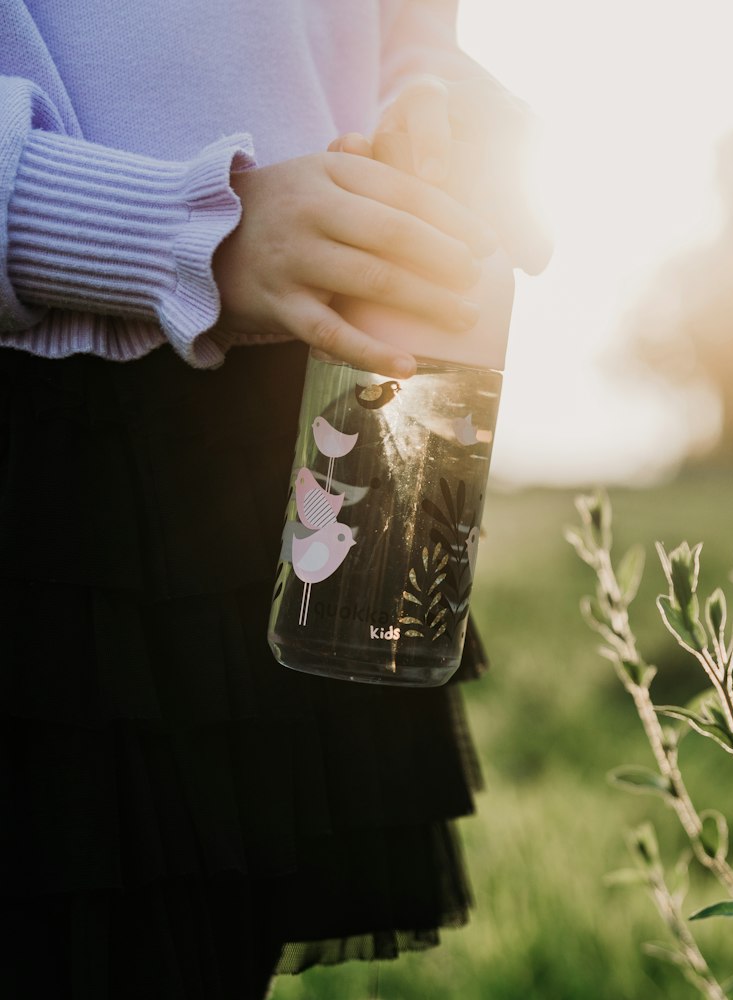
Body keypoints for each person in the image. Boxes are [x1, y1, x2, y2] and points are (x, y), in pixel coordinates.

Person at [0, 3, 550, 999]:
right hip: (42, 457)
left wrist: (432, 104)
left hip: (292, 424)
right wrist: (192, 229)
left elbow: (401, 30)